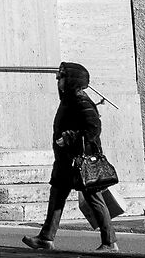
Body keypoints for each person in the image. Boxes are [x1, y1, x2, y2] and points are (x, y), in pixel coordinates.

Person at [22, 61, 119, 252]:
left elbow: (93, 128)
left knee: (93, 198)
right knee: (57, 195)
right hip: (66, 160)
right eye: (59, 77)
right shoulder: (70, 99)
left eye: (62, 77)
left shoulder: (80, 100)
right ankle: (45, 238)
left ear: (73, 80)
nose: (58, 80)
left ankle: (110, 242)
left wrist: (68, 138)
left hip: (80, 160)